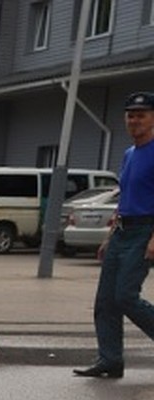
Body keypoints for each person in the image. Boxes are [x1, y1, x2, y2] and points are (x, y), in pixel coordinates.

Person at [74, 91, 154, 379]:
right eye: (130, 115)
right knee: (106, 301)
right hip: (122, 231)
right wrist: (110, 235)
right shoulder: (129, 154)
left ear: (153, 119)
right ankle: (110, 360)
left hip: (146, 230)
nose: (134, 120)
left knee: (125, 296)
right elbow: (126, 197)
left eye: (141, 115)